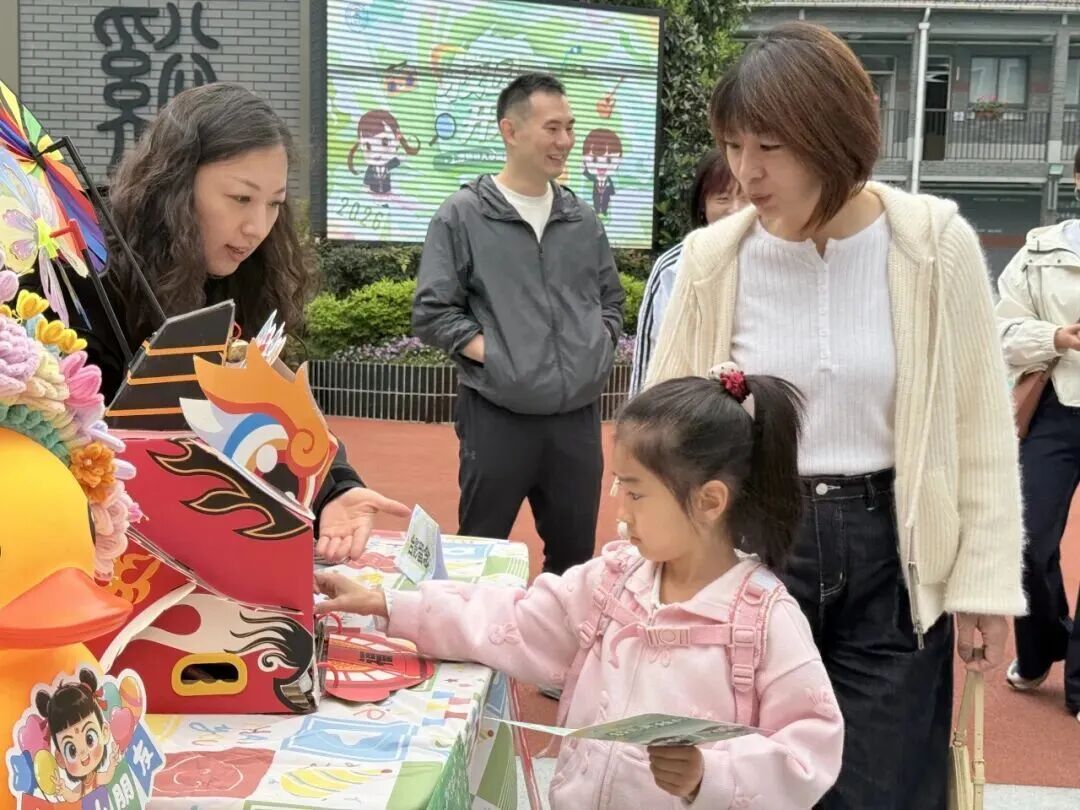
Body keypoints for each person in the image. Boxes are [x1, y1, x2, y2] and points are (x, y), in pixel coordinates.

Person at [646, 23, 1025, 809]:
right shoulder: (714, 260)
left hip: (894, 555)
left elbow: (980, 427)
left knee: (882, 787)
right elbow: (663, 433)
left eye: (770, 147)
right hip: (754, 543)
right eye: (734, 146)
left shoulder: (934, 246)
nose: (745, 172)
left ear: (834, 135)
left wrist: (984, 585)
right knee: (746, 779)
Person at [315, 367, 844, 809]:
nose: (621, 510)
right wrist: (390, 604)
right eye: (618, 487)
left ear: (709, 501)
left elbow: (811, 748)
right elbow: (516, 620)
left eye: (636, 493)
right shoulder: (616, 581)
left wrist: (710, 775)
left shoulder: (763, 620)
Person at [22, 83, 409, 563]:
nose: (257, 227)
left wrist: (334, 489)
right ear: (175, 185)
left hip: (196, 544)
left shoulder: (244, 275)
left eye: (274, 203)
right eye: (241, 198)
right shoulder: (78, 266)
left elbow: (265, 402)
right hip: (78, 539)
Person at [412, 73, 624, 576]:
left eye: (570, 127)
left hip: (576, 421)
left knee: (574, 565)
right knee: (477, 557)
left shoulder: (582, 219)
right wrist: (501, 357)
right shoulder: (462, 216)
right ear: (511, 131)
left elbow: (611, 300)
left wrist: (596, 345)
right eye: (552, 128)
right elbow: (433, 311)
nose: (565, 141)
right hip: (497, 417)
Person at [995, 145, 1080, 721]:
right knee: (1026, 539)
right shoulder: (1041, 250)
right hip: (1055, 408)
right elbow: (1001, 329)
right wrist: (1054, 338)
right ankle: (1042, 644)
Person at [629, 148, 743, 395]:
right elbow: (651, 352)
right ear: (702, 206)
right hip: (693, 406)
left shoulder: (776, 260)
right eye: (722, 198)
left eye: (745, 197)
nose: (736, 209)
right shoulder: (673, 266)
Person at [33, 669, 120, 801]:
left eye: (90, 739)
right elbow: (73, 797)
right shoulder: (82, 788)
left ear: (104, 733)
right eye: (71, 750)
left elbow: (108, 777)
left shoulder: (96, 779)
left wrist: (113, 763)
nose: (83, 753)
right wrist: (63, 790)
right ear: (61, 759)